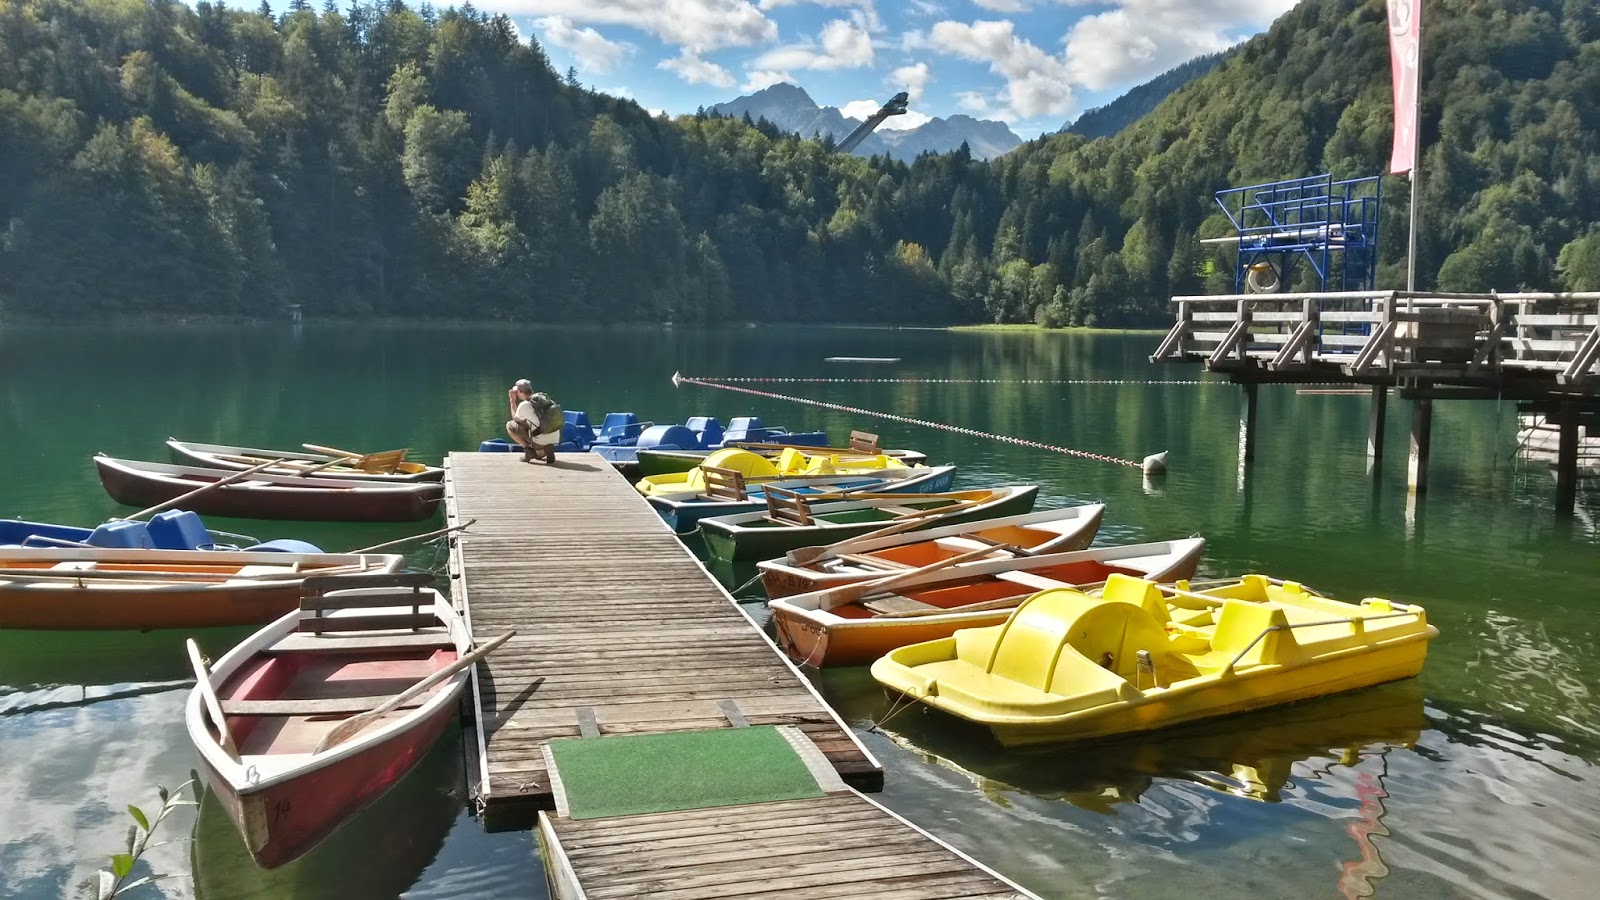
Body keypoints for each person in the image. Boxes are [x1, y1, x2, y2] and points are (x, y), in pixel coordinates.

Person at [506, 379, 563, 463]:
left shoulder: (524, 405)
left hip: (540, 440)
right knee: (531, 426)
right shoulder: (544, 400)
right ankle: (547, 449)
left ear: (519, 392)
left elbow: (515, 418)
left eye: (516, 392)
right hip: (555, 438)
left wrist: (512, 401)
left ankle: (529, 450)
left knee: (509, 425)